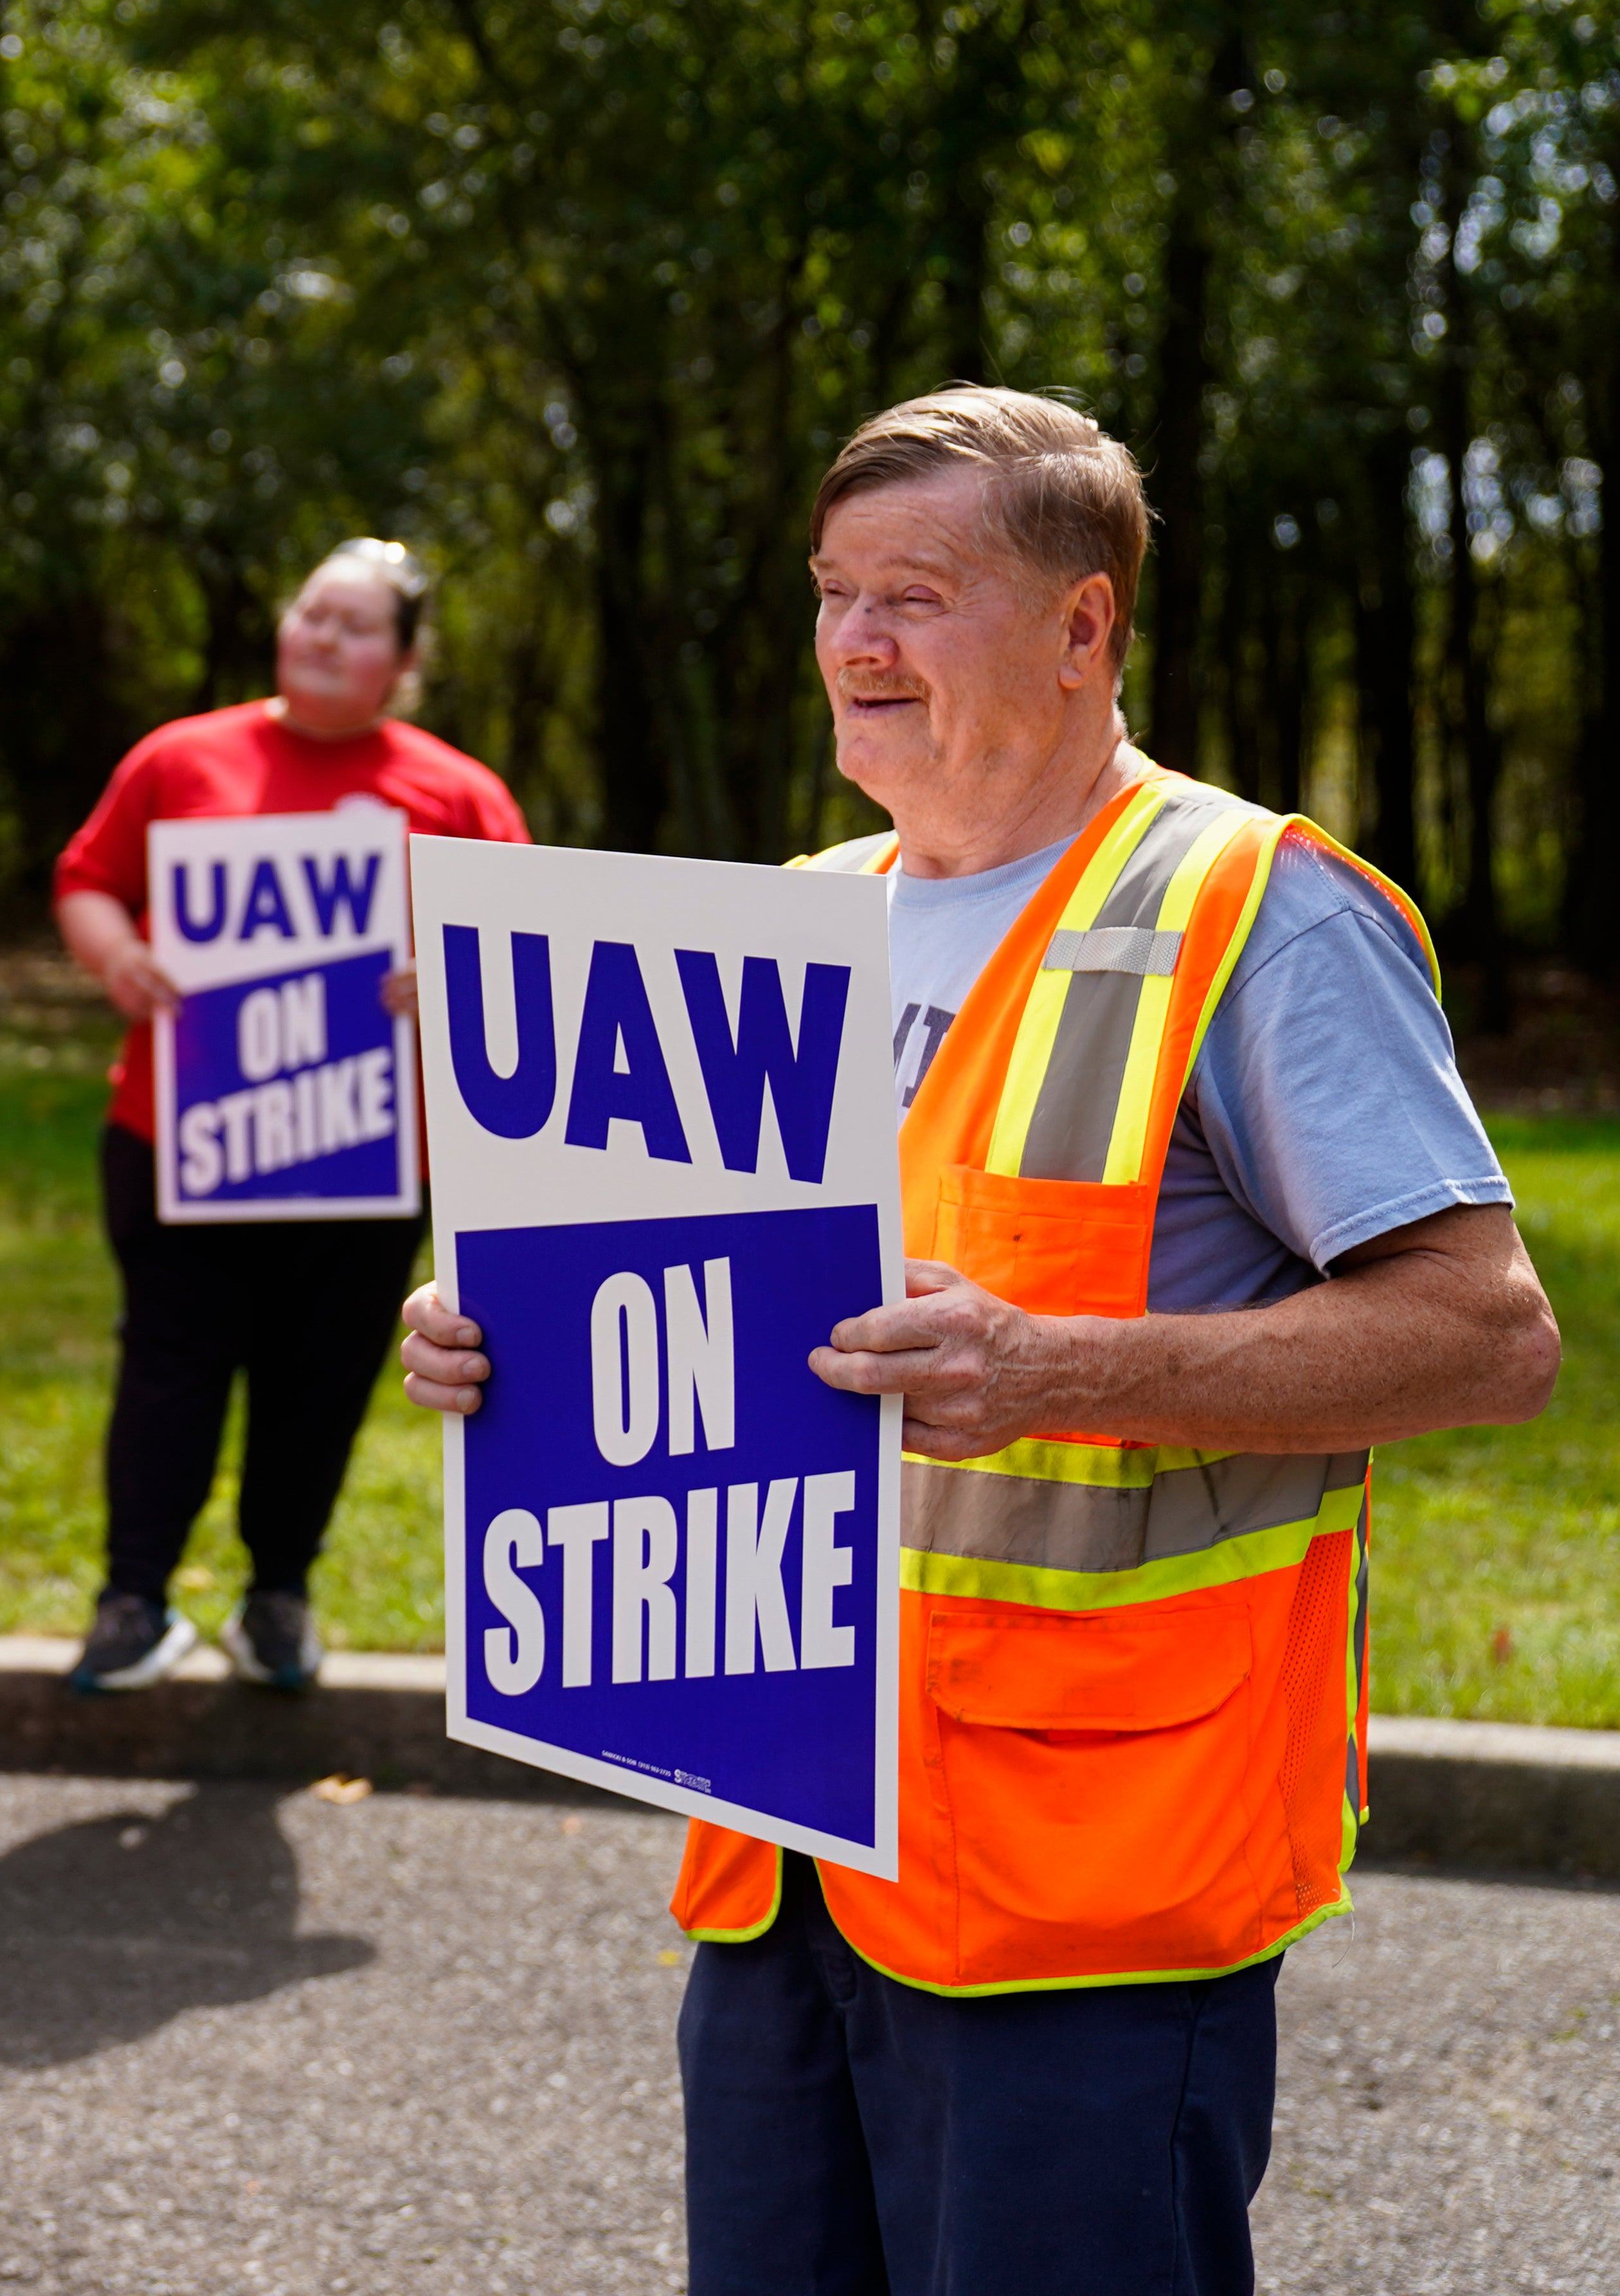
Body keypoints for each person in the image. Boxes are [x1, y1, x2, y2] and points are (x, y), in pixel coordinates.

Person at [399, 388, 1560, 2296]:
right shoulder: (785, 923)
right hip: (782, 1856)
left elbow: (1486, 1339)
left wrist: (1061, 1369)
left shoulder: (1247, 909)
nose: (856, 642)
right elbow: (686, 1327)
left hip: (1090, 1881)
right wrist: (496, 1338)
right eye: (836, 593)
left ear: (1085, 623)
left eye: (917, 596)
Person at [51, 540, 528, 1694]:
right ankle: (134, 1599)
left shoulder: (457, 790)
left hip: (365, 1156)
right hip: (181, 1141)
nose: (322, 636)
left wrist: (455, 971)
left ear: (404, 662)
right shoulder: (181, 757)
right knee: (169, 1367)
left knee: (317, 1381)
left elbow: (527, 943)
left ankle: (279, 1598)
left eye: (355, 626)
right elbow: (86, 880)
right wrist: (121, 960)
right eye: (312, 612)